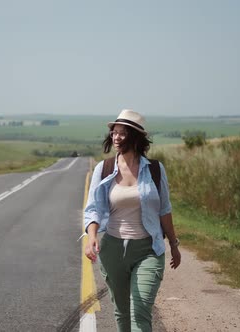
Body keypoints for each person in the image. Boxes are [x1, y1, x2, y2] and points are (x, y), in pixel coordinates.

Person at [83, 109, 181, 332]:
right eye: (114, 133)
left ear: (135, 137)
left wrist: (174, 245)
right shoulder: (104, 168)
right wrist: (91, 238)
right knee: (122, 312)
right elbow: (93, 210)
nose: (116, 137)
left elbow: (164, 209)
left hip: (147, 250)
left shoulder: (155, 170)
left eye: (122, 133)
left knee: (140, 311)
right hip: (113, 249)